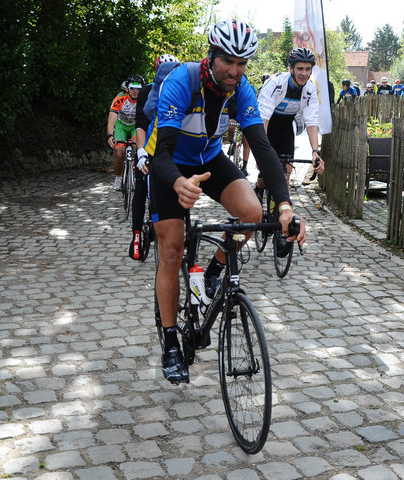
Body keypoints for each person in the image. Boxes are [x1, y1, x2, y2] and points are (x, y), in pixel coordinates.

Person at [145, 19, 307, 383]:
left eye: (242, 64)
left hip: (208, 158)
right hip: (170, 164)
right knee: (171, 250)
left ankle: (215, 271)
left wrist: (284, 205)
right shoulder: (180, 82)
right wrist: (178, 183)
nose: (235, 71)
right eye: (227, 62)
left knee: (251, 213)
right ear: (211, 56)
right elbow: (162, 153)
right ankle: (171, 341)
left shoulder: (241, 90)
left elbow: (263, 149)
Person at [129, 54, 180, 260]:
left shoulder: (182, 90)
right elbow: (140, 125)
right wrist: (140, 153)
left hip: (171, 146)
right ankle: (136, 235)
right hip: (148, 144)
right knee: (141, 187)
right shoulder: (146, 92)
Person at [257, 46, 325, 189]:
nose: (304, 73)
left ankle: (280, 209)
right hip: (268, 126)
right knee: (264, 177)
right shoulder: (275, 84)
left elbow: (311, 121)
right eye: (300, 68)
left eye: (308, 69)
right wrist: (261, 151)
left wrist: (315, 152)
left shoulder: (310, 89)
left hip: (287, 128)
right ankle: (259, 186)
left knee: (285, 178)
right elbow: (263, 118)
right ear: (291, 69)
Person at [107, 74, 144, 189]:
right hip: (121, 125)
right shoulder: (120, 99)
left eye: (138, 89)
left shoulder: (144, 101)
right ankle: (118, 178)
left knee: (138, 149)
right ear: (127, 88)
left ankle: (133, 173)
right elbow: (112, 118)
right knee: (119, 152)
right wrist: (110, 135)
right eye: (132, 88)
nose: (135, 91)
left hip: (135, 126)